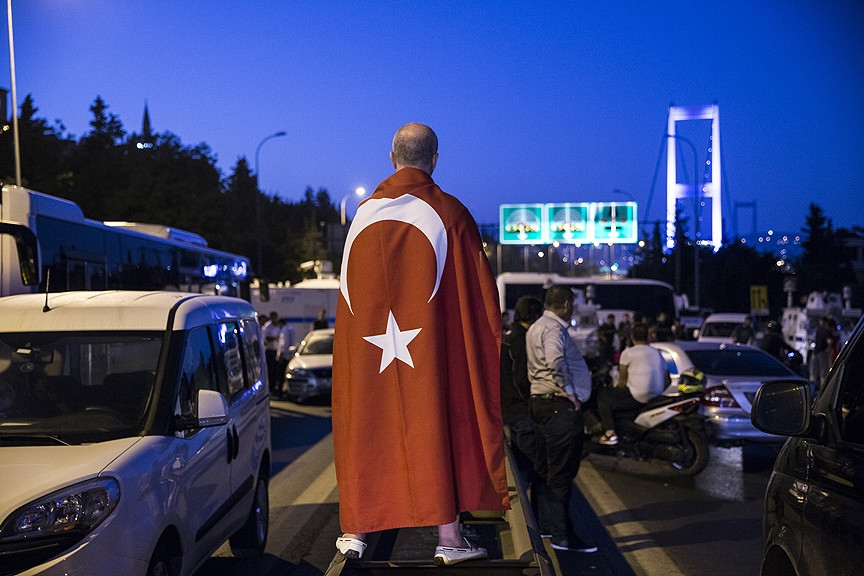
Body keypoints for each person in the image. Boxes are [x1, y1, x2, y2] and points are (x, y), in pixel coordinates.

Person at [331, 123, 509, 566]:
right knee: (436, 423)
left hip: (370, 350)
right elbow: (479, 296)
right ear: (434, 160)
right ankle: (449, 538)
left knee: (368, 421)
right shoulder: (451, 213)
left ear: (392, 159)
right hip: (430, 352)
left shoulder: (362, 216)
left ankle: (355, 530)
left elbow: (350, 299)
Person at [526, 284, 597, 553]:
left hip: (540, 403)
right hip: (558, 408)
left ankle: (545, 527)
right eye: (573, 305)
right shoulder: (554, 329)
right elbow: (555, 361)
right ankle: (563, 536)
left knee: (545, 470)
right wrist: (570, 392)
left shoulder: (536, 326)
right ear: (566, 304)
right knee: (561, 473)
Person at [596, 322, 669, 445]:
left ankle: (610, 433)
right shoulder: (657, 353)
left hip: (636, 396)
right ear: (647, 336)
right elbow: (668, 380)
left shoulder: (628, 353)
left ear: (632, 337)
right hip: (656, 396)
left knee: (603, 396)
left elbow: (622, 381)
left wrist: (616, 388)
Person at [500, 295, 544, 489]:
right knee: (533, 464)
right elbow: (521, 377)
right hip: (520, 409)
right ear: (534, 316)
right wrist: (531, 401)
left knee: (520, 463)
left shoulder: (508, 337)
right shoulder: (522, 339)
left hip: (508, 407)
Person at [262, 311, 282, 395]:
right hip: (269, 351)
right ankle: (270, 387)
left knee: (276, 369)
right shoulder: (267, 326)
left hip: (276, 350)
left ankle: (274, 386)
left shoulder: (278, 326)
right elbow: (266, 338)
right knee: (270, 370)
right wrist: (275, 338)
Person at [810, 317, 833, 386]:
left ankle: (812, 385)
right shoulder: (826, 331)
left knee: (814, 370)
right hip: (822, 352)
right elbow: (829, 341)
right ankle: (823, 386)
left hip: (816, 351)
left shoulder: (818, 330)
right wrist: (828, 348)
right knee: (823, 370)